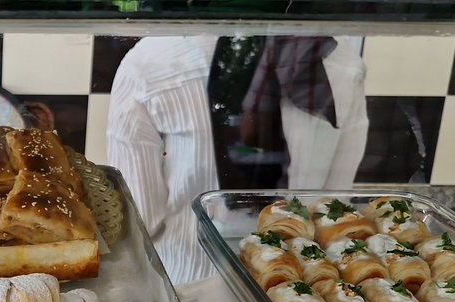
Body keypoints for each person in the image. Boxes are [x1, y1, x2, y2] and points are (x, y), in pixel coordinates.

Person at [107, 35, 368, 284]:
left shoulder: (150, 60)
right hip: (299, 290)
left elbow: (140, 221)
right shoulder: (341, 59)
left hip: (188, 286)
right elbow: (333, 208)